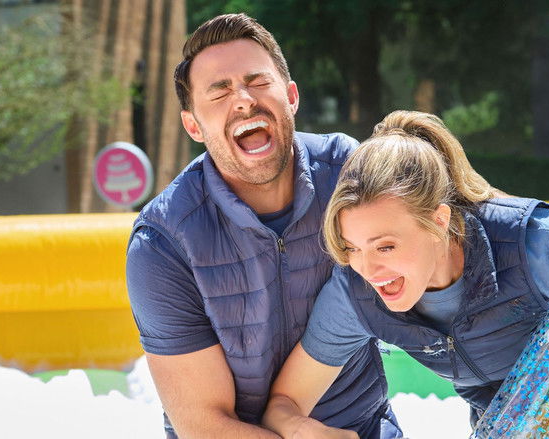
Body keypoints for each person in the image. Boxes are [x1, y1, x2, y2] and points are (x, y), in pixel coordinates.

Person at [261, 111, 549, 438]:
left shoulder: (528, 247)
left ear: (439, 221)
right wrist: (299, 429)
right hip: (507, 424)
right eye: (353, 248)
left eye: (385, 246)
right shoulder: (355, 294)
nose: (369, 269)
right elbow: (285, 401)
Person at [125, 14, 401, 439]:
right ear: (193, 125)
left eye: (257, 81)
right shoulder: (163, 243)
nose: (242, 100)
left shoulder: (347, 175)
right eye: (219, 91)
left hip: (360, 427)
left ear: (291, 97)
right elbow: (204, 425)